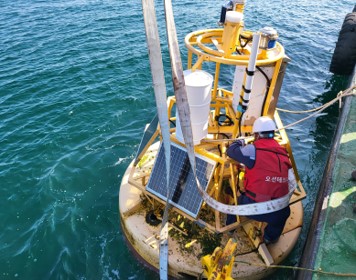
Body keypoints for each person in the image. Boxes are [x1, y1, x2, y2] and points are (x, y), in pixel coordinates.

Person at [226, 116, 292, 244]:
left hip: (255, 208)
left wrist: (240, 141)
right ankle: (269, 238)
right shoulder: (283, 152)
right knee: (281, 217)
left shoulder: (252, 149)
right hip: (279, 211)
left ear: (256, 135)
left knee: (235, 207)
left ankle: (229, 229)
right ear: (273, 133)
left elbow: (231, 151)